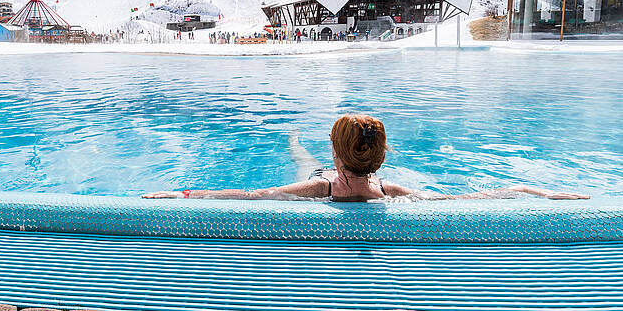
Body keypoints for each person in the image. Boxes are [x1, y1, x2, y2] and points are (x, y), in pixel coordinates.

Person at [143, 114, 590, 202]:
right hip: (354, 177)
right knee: (304, 159)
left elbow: (249, 194)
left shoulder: (318, 187)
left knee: (301, 160)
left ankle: (294, 139)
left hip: (320, 178)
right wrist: (535, 189)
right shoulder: (391, 190)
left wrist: (182, 193)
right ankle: (296, 141)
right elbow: (472, 196)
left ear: (337, 156)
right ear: (378, 159)